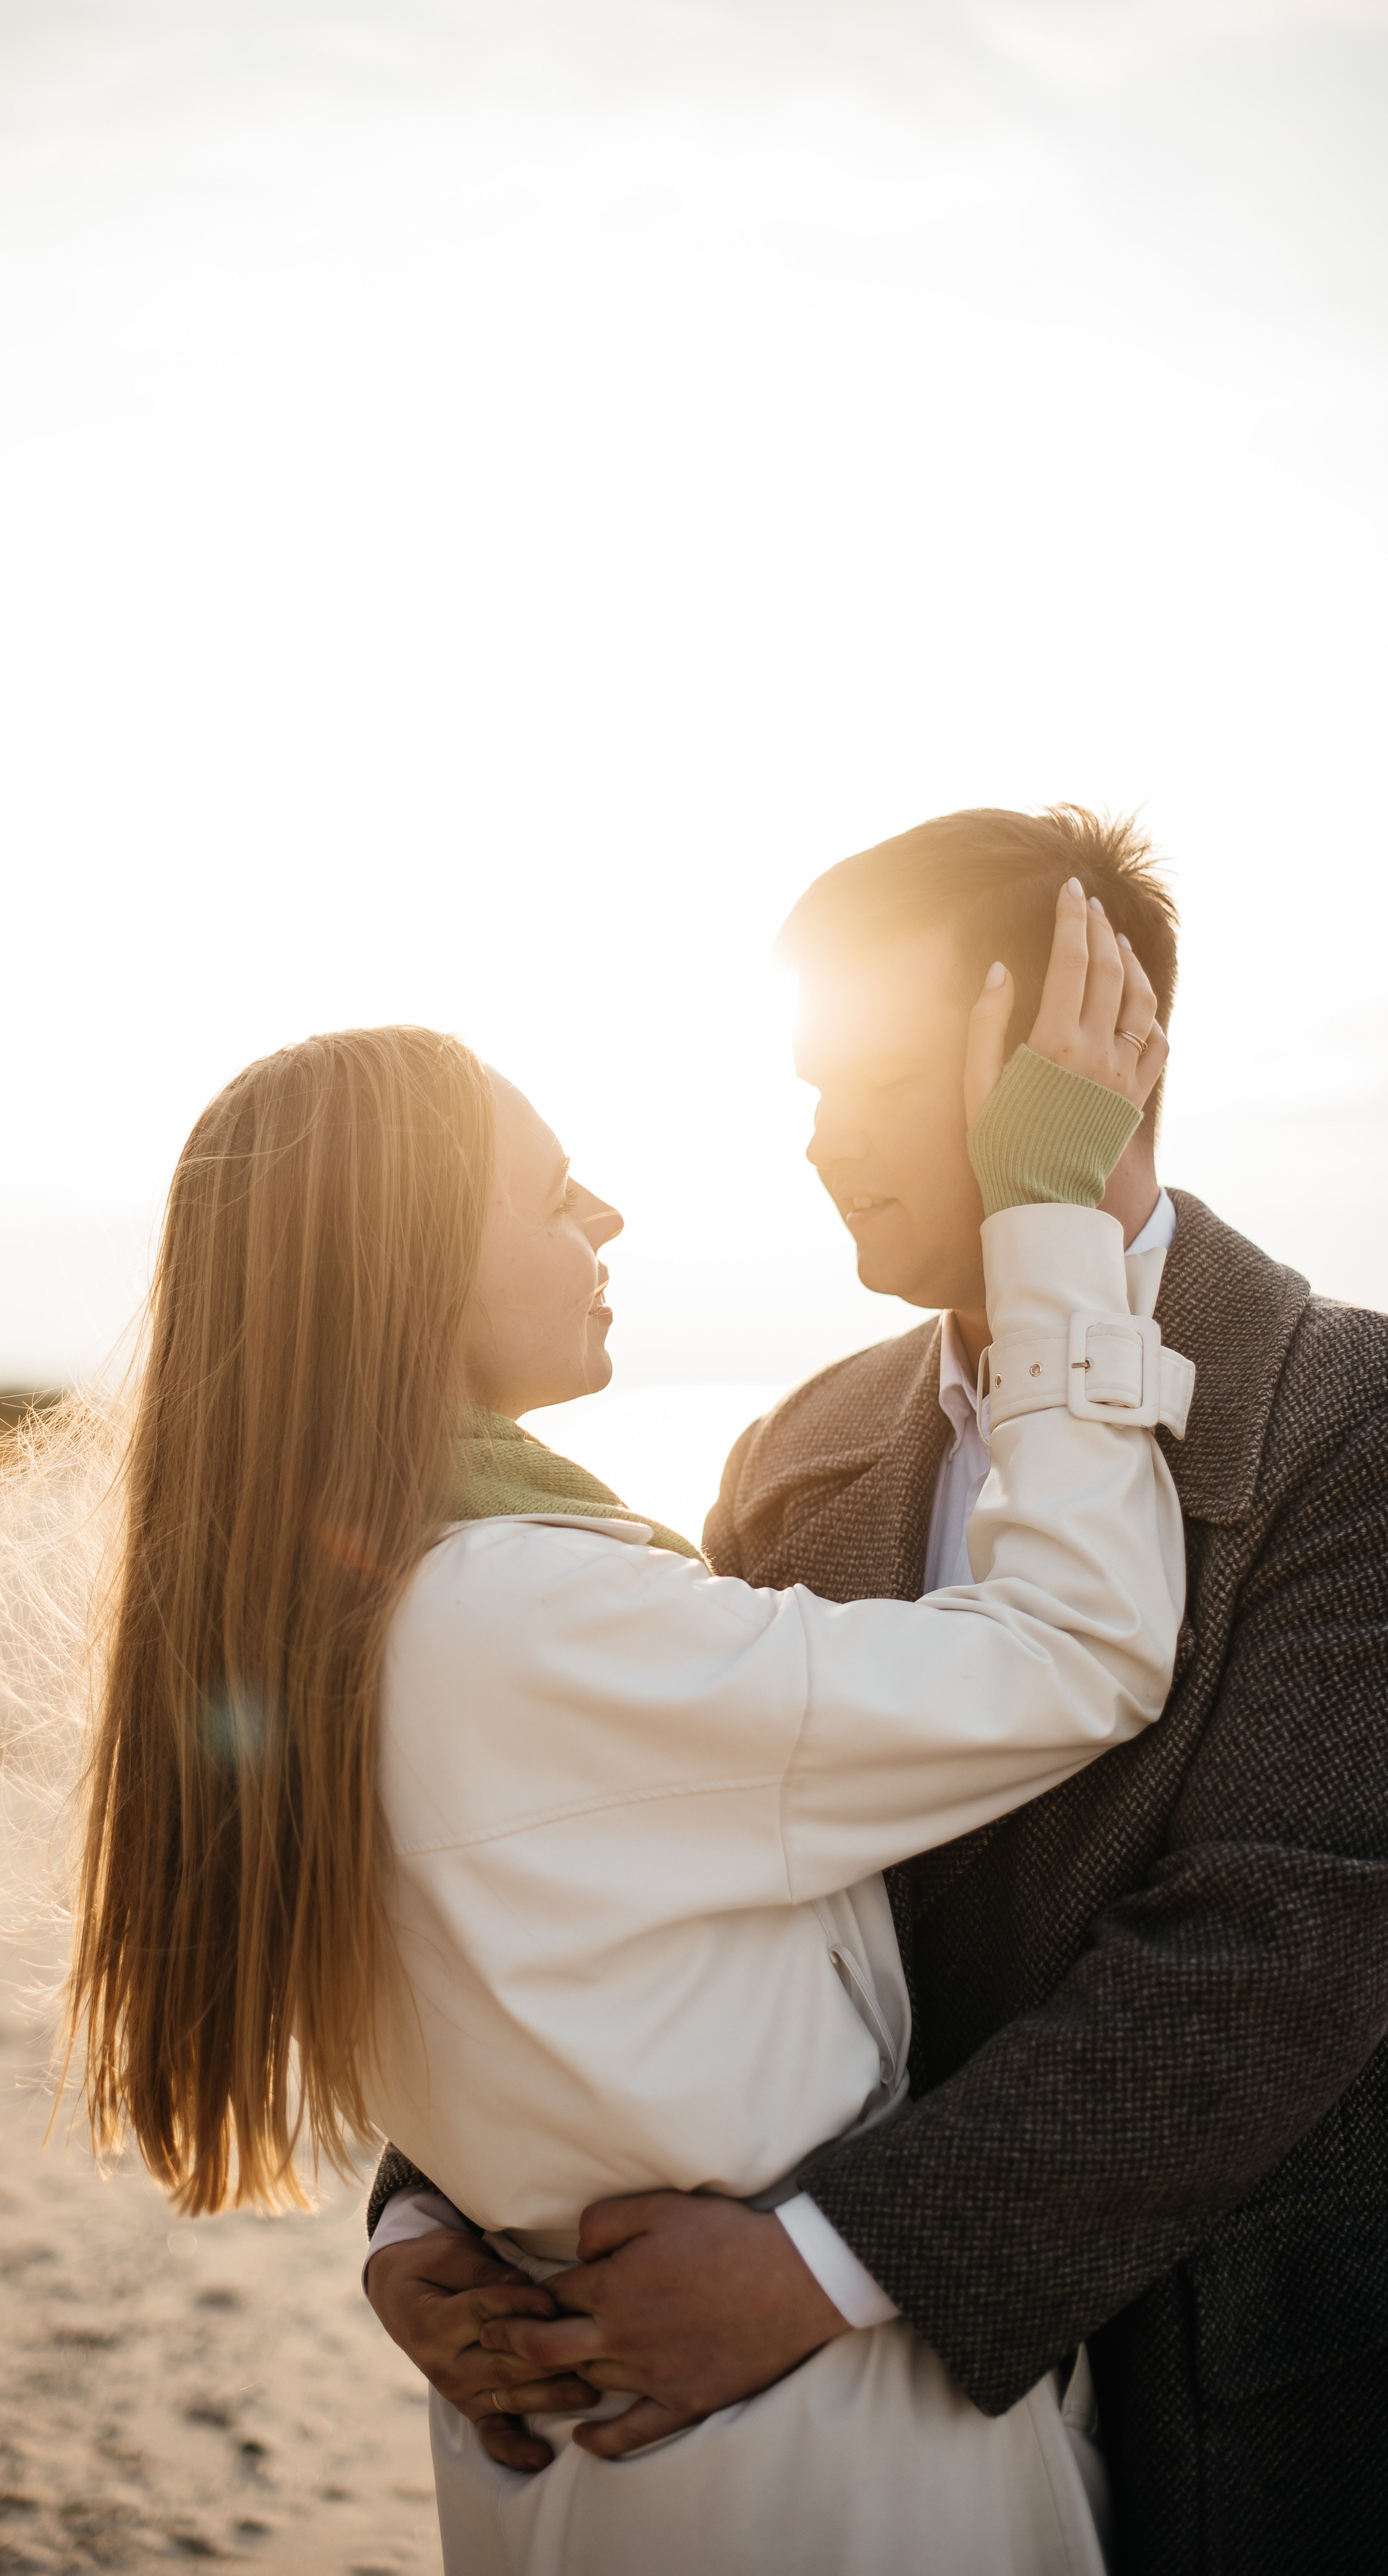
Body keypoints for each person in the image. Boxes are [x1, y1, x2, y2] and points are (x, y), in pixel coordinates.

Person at [71, 879, 1184, 2573]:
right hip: (807, 2466)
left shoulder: (314, 1610)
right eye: (542, 1190)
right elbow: (1079, 1649)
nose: (602, 1212)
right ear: (409, 1269)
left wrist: (419, 2228)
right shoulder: (523, 1614)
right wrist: (1049, 1221)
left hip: (588, 2442)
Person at [365, 806, 1388, 2576]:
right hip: (804, 2448)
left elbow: (1284, 1946)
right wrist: (427, 2212)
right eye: (805, 1086)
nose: (819, 1143)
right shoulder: (801, 1445)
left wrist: (834, 2264)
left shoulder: (1350, 1424)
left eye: (871, 1079)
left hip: (1226, 2407)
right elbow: (603, 1858)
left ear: (1088, 1053)